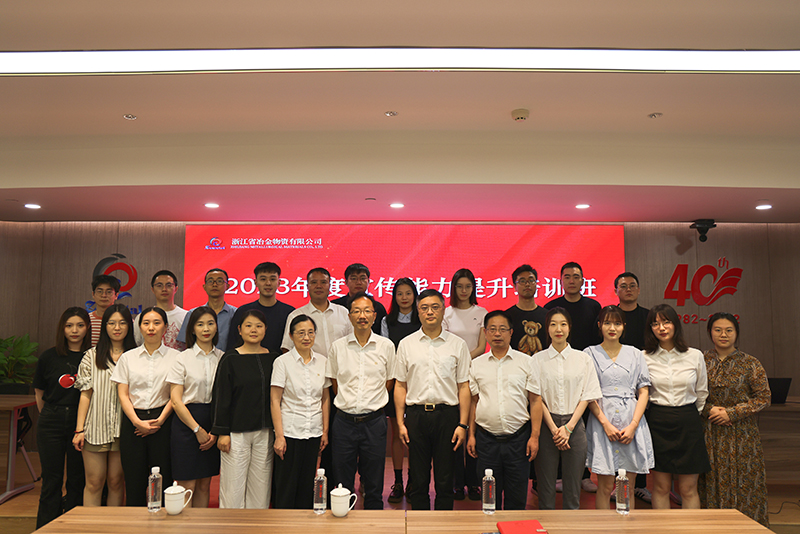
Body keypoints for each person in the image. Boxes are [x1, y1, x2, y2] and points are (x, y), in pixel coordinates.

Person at [393, 289, 471, 511]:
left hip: (447, 416)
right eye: (424, 308)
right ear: (417, 312)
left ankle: (443, 524)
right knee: (418, 479)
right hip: (416, 416)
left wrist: (463, 424)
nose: (430, 312)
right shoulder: (407, 344)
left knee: (445, 479)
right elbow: (400, 385)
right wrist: (400, 423)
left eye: (435, 307)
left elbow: (464, 387)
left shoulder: (457, 344)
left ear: (443, 311)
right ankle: (419, 524)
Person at [699, 313, 770, 527]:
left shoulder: (750, 363)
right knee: (711, 481)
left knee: (745, 482)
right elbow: (690, 394)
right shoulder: (700, 360)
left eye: (729, 330)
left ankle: (749, 528)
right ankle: (713, 528)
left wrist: (732, 413)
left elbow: (764, 398)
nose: (723, 334)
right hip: (709, 432)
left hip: (742, 435)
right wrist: (710, 410)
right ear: (710, 332)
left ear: (736, 333)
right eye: (718, 330)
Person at [466, 310, 542, 510]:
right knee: (489, 500)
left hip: (518, 440)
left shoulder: (526, 362)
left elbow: (535, 401)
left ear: (511, 332)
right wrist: (471, 435)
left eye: (502, 329)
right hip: (486, 441)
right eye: (492, 329)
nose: (497, 334)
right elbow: (474, 402)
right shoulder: (476, 365)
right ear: (485, 333)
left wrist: (534, 437)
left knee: (516, 500)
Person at [326, 293, 395, 509]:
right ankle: (343, 520)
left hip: (374, 422)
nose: (362, 316)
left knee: (374, 484)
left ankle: (372, 523)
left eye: (366, 311)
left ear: (374, 316)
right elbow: (335, 384)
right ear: (349, 316)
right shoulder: (338, 347)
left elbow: (389, 381)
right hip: (344, 423)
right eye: (356, 311)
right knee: (342, 483)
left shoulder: (386, 346)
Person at [529, 307, 601, 510]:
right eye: (553, 324)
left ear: (569, 328)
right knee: (545, 488)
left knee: (573, 488)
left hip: (575, 425)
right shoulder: (537, 360)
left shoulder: (583, 359)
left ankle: (571, 524)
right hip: (546, 425)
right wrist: (554, 429)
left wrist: (568, 428)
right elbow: (536, 398)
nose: (558, 329)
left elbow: (587, 396)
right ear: (547, 328)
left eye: (563, 324)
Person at [585, 305, 654, 510]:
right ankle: (604, 526)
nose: (612, 328)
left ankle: (626, 524)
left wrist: (633, 425)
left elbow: (643, 392)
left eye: (617, 323)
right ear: (600, 325)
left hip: (630, 420)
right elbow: (588, 394)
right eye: (607, 323)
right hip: (601, 421)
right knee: (605, 486)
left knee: (627, 486)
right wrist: (605, 424)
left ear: (624, 326)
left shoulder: (635, 354)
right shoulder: (589, 353)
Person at [643, 304, 709, 510]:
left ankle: (690, 528)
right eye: (655, 324)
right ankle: (663, 527)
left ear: (675, 324)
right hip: (658, 421)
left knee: (688, 489)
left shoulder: (694, 355)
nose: (661, 328)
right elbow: (642, 393)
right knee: (661, 487)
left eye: (666, 322)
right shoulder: (644, 357)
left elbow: (702, 392)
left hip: (688, 421)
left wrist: (690, 414)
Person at [111, 306, 180, 507]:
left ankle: (165, 521)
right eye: (146, 323)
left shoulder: (176, 357)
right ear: (139, 327)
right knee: (134, 480)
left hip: (164, 420)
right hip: (133, 421)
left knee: (164, 477)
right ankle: (135, 521)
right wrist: (136, 422)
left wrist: (160, 420)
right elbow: (123, 394)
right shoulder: (128, 357)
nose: (151, 328)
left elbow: (176, 395)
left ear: (165, 327)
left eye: (157, 323)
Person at [212, 309, 279, 509]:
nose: (253, 330)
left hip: (264, 431)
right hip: (236, 433)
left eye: (258, 326)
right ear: (240, 330)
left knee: (261, 486)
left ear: (265, 330)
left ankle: (257, 524)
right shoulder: (230, 358)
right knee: (233, 487)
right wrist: (222, 432)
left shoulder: (274, 359)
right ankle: (231, 524)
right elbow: (221, 397)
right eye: (248, 326)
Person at [544, 262, 602, 493]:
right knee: (554, 429)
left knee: (581, 426)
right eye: (567, 276)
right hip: (555, 368)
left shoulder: (593, 306)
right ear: (560, 280)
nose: (571, 280)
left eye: (576, 276)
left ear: (582, 280)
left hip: (580, 369)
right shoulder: (551, 306)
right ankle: (558, 475)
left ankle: (583, 475)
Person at [73, 304, 136, 508]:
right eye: (111, 323)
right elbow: (85, 395)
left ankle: (113, 524)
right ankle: (91, 524)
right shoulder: (91, 356)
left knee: (116, 482)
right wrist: (79, 430)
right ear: (104, 326)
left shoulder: (136, 356)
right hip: (95, 428)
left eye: (122, 323)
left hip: (124, 429)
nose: (117, 328)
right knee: (94, 482)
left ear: (130, 326)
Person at [33, 307, 90, 528]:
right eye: (69, 326)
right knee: (51, 479)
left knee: (77, 478)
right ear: (62, 329)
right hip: (51, 421)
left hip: (81, 423)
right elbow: (39, 393)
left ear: (87, 328)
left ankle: (73, 527)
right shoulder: (49, 356)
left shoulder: (92, 356)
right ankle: (46, 527)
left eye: (80, 325)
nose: (74, 330)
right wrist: (50, 415)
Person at [271, 315, 331, 509]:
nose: (306, 337)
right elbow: (275, 400)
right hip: (290, 432)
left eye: (310, 332)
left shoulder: (322, 361)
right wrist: (279, 436)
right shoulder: (282, 362)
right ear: (291, 335)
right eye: (301, 333)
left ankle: (304, 523)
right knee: (286, 486)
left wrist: (325, 431)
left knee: (307, 486)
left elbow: (325, 398)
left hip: (313, 431)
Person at [167, 307, 224, 508]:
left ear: (216, 327)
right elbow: (176, 400)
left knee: (204, 484)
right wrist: (197, 429)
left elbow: (225, 399)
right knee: (187, 485)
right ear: (192, 329)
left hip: (213, 421)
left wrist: (215, 431)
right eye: (200, 324)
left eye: (210, 323)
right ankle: (183, 524)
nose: (205, 329)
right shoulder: (182, 358)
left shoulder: (223, 358)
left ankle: (201, 524)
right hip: (186, 423)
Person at [442, 268, 487, 501]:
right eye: (459, 286)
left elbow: (482, 346)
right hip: (451, 375)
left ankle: (474, 481)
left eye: (468, 286)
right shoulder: (446, 313)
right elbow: (445, 344)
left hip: (476, 372)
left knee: (473, 425)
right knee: (456, 426)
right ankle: (457, 482)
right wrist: (458, 364)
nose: (463, 290)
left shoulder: (481, 313)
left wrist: (464, 360)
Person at [380, 277, 421, 503]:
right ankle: (397, 481)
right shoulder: (387, 321)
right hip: (396, 383)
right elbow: (387, 353)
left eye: (408, 293)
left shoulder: (422, 318)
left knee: (414, 436)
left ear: (415, 295)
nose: (404, 298)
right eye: (399, 294)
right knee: (397, 434)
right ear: (394, 297)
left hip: (419, 383)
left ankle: (414, 481)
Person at [613, 271, 652, 502]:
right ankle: (616, 485)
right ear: (615, 290)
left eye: (632, 285)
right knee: (617, 434)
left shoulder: (648, 316)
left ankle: (640, 485)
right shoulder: (611, 315)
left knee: (639, 435)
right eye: (623, 286)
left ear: (638, 289)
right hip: (615, 383)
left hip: (642, 380)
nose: (628, 289)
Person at [282, 267, 352, 357]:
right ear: (307, 286)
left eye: (323, 282)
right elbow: (287, 348)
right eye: (314, 282)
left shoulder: (343, 312)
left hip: (340, 364)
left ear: (330, 285)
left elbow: (352, 342)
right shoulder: (296, 315)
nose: (319, 286)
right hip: (309, 365)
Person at [227, 262, 294, 353]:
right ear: (256, 282)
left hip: (282, 361)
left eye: (272, 279)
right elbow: (233, 344)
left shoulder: (290, 313)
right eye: (263, 279)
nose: (268, 283)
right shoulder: (243, 311)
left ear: (279, 283)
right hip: (247, 360)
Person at [177, 268, 238, 352]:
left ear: (227, 286)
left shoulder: (236, 313)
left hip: (228, 358)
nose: (215, 284)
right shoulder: (192, 314)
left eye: (219, 281)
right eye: (210, 281)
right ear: (204, 287)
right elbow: (185, 343)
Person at [133, 270, 186, 351]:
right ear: (152, 289)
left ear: (176, 289)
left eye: (169, 285)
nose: (164, 289)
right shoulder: (142, 317)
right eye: (159, 285)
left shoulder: (185, 316)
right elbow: (137, 344)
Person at [332, 262, 388, 335]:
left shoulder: (378, 308)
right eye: (354, 278)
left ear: (368, 281)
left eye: (362, 278)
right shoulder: (335, 306)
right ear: (346, 282)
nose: (358, 282)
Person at [505, 264, 548, 356]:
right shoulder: (507, 316)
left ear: (536, 284)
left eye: (531, 280)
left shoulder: (547, 315)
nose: (527, 284)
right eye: (522, 281)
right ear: (514, 286)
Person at [88, 274, 120, 347]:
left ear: (116, 295)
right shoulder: (86, 320)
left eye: (109, 292)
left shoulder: (125, 321)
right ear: (93, 294)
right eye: (100, 291)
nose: (104, 295)